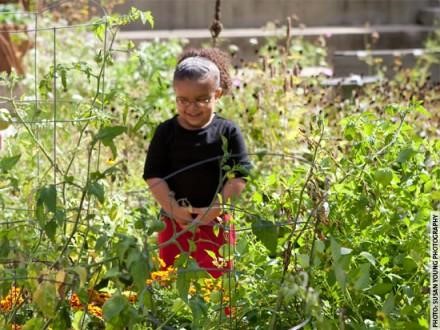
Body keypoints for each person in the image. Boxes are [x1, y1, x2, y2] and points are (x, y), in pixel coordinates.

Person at [142, 48, 252, 279]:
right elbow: (153, 175)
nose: (191, 108)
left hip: (215, 224)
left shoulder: (227, 131)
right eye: (183, 100)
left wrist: (214, 210)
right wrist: (175, 210)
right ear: (175, 95)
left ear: (217, 94)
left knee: (218, 285)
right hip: (174, 223)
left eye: (202, 100)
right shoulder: (166, 132)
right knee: (172, 280)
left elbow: (239, 176)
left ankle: (219, 316)